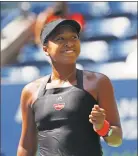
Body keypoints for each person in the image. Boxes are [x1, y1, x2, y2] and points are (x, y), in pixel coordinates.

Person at [17, 19, 123, 156]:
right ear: (45, 49)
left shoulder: (98, 82)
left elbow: (116, 140)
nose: (70, 43)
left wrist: (103, 127)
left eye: (74, 37)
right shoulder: (30, 91)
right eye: (60, 39)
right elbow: (26, 147)